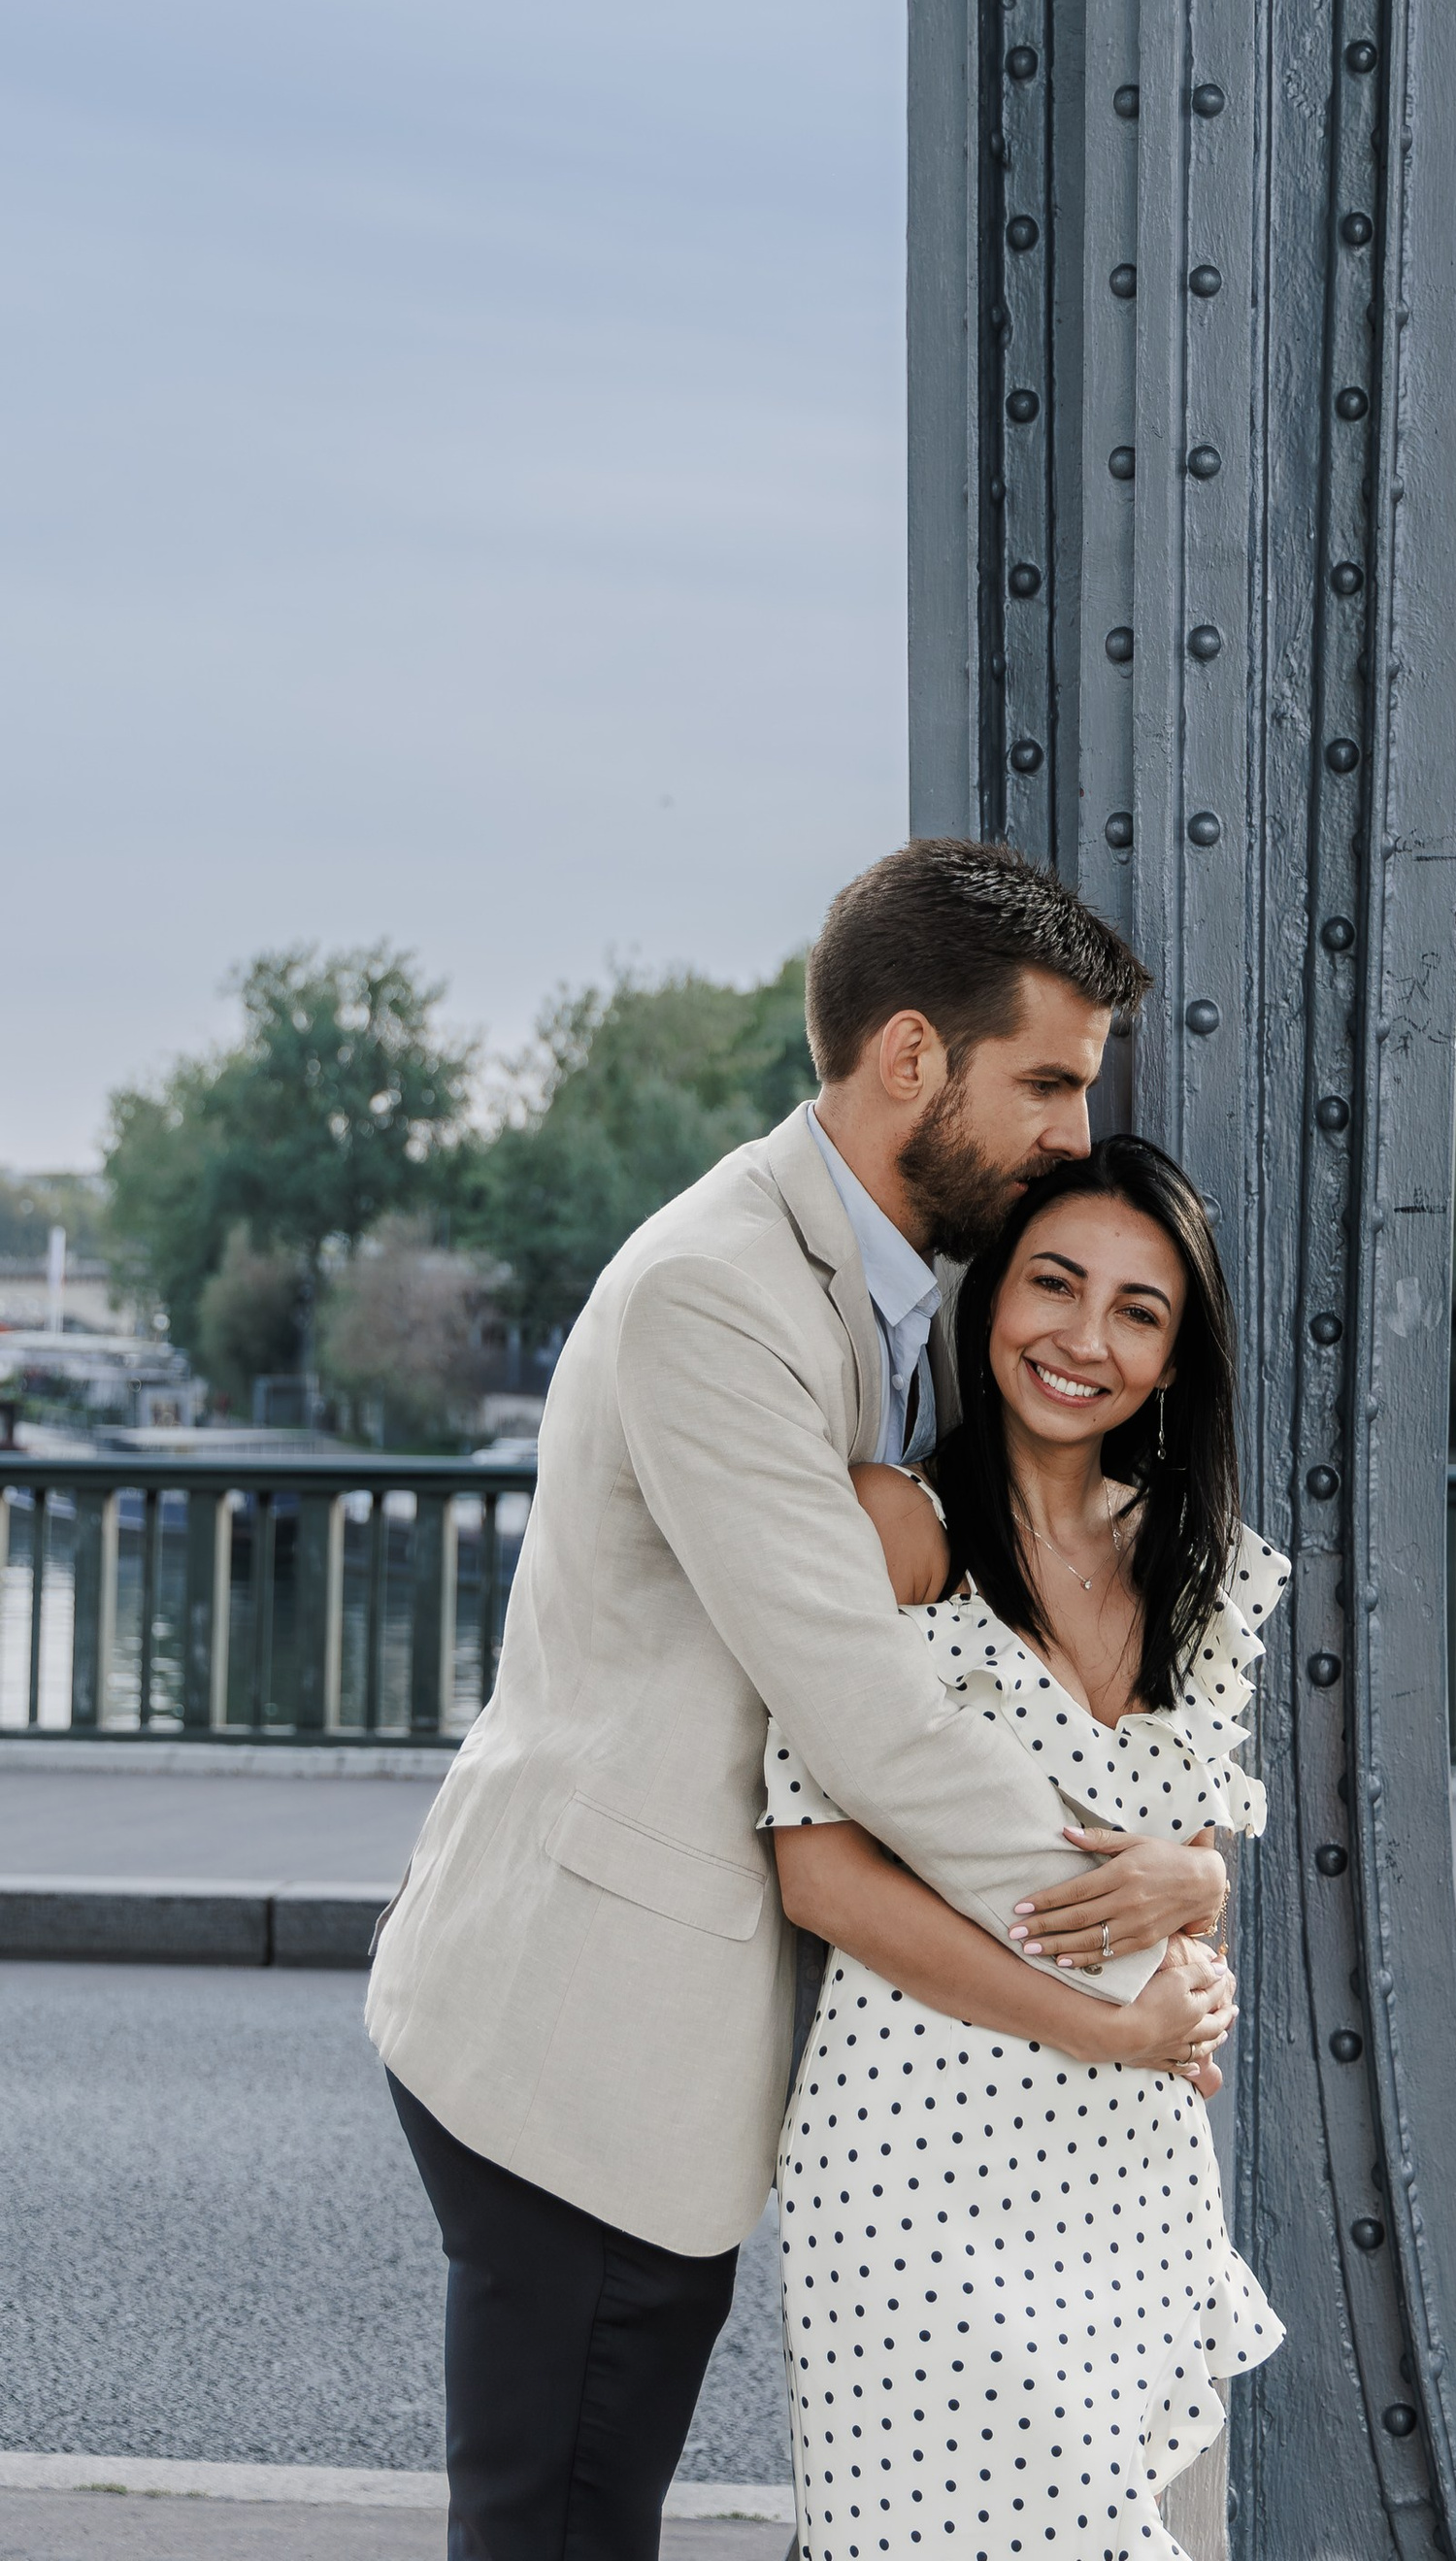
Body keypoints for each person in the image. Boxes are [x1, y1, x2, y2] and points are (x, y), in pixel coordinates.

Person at [369, 840, 1240, 2561]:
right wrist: (1140, 1954)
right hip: (582, 2027)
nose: (1076, 1131)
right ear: (913, 1058)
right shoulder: (720, 1293)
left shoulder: (905, 1288)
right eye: (1049, 1082)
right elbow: (866, 1714)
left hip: (699, 2020)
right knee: (559, 2528)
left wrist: (1190, 1868)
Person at [764, 1136, 1286, 2561]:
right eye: (1053, 1284)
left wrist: (1207, 1880)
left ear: (1175, 1361)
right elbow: (817, 1872)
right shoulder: (898, 1532)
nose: (1083, 1338)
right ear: (989, 1298)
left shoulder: (1198, 1569)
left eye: (1138, 1310)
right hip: (921, 2166)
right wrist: (1104, 2029)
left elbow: (1171, 1892)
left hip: (1125, 2176)